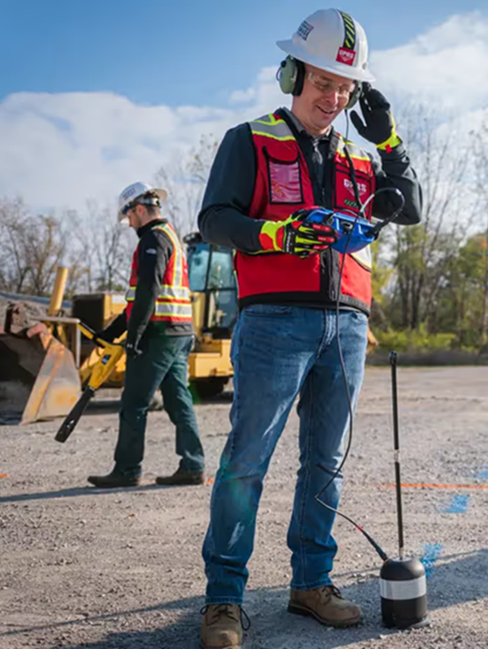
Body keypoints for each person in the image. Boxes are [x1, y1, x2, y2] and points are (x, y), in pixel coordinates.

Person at [197, 9, 422, 648]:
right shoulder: (250, 139)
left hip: (347, 325)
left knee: (326, 464)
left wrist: (388, 139)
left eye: (346, 89)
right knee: (247, 462)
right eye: (323, 82)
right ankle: (223, 600)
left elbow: (413, 205)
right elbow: (215, 220)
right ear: (292, 74)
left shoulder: (359, 153)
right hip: (274, 321)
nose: (335, 98)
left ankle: (311, 583)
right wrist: (277, 233)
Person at [87, 182, 205, 488]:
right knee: (178, 400)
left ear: (138, 209)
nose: (129, 225)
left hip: (160, 333)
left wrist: (134, 335)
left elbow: (148, 292)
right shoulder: (170, 238)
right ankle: (193, 465)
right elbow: (137, 298)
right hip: (178, 332)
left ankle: (127, 470)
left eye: (129, 218)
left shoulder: (153, 239)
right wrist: (111, 333)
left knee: (134, 402)